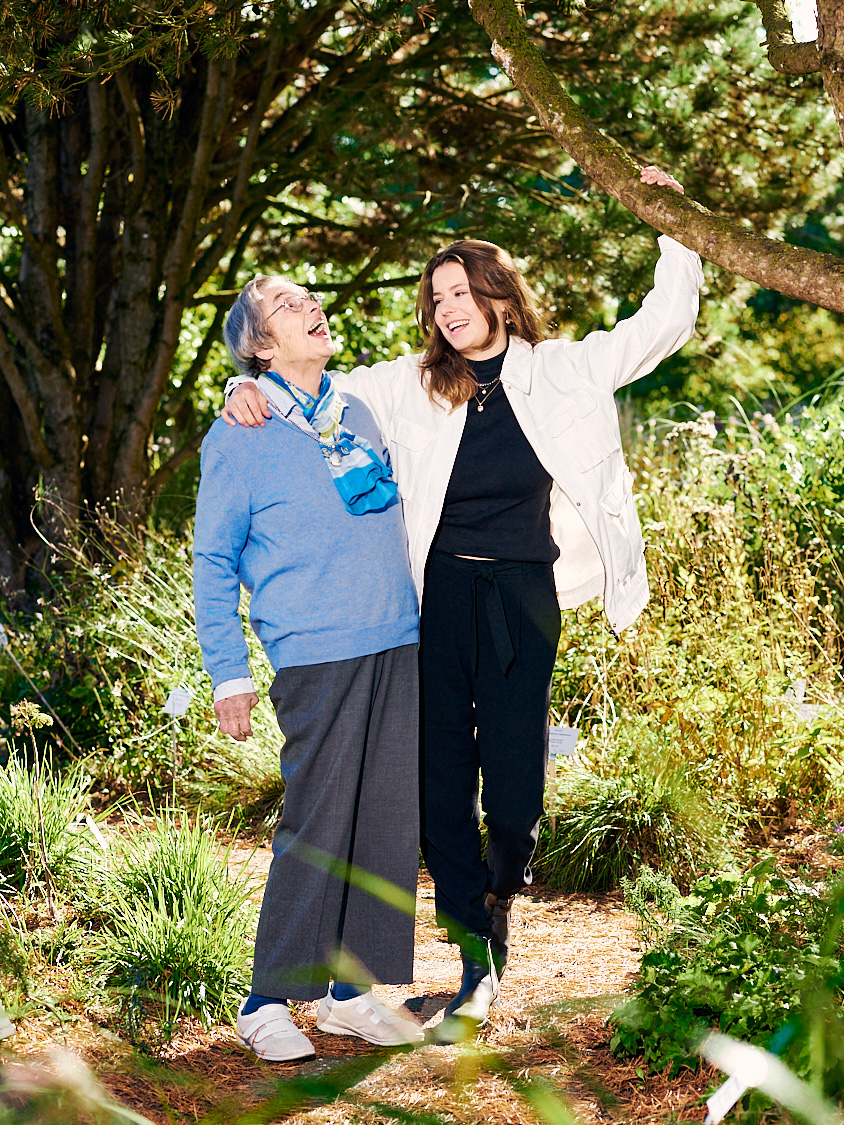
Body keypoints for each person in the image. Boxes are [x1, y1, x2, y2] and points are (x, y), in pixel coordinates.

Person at [222, 166, 704, 1041]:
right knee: (440, 786)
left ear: (499, 295)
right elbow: (312, 391)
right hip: (436, 599)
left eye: (461, 291)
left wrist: (671, 221)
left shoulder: (563, 371)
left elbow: (662, 323)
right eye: (436, 297)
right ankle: (475, 961)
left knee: (514, 793)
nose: (447, 307)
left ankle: (499, 901)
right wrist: (239, 385)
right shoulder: (411, 383)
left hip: (522, 597)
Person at [193, 275, 425, 1060]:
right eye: (286, 306)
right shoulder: (239, 433)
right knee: (317, 825)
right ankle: (265, 1001)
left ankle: (349, 995)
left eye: (308, 297)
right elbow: (213, 559)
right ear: (260, 345)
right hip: (314, 652)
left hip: (396, 638)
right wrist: (229, 673)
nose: (311, 307)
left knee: (385, 821)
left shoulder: (356, 409)